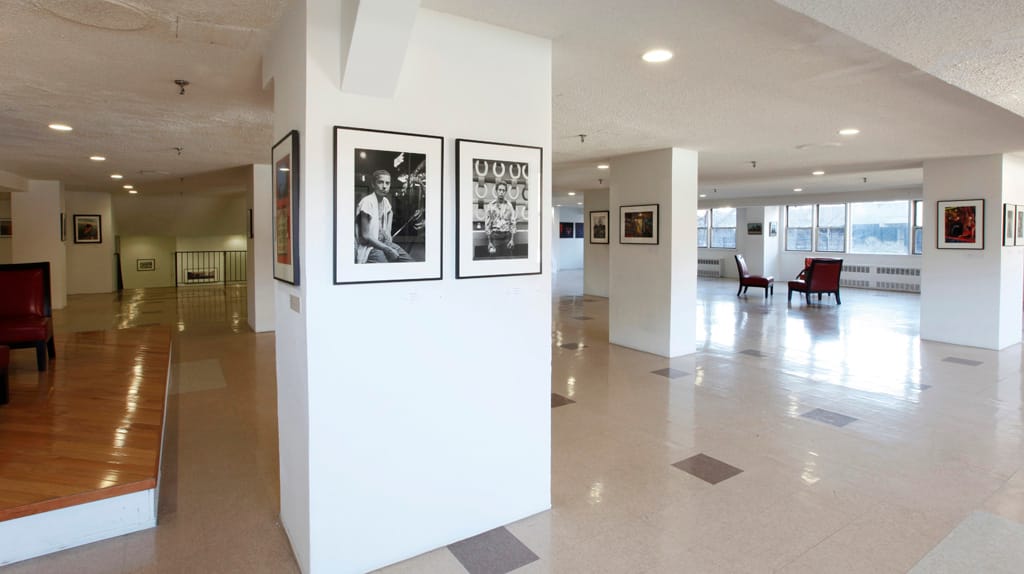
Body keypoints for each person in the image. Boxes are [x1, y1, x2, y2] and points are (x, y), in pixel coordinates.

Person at [355, 169, 413, 263]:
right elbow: (365, 236)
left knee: (410, 262)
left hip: (384, 243)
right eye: (380, 182)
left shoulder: (385, 201)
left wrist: (388, 231)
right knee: (385, 269)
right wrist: (388, 249)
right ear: (373, 184)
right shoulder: (367, 202)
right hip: (370, 247)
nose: (384, 186)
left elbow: (390, 212)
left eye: (387, 183)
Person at [484, 179, 518, 257]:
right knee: (495, 261)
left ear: (505, 192)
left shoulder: (509, 206)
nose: (501, 192)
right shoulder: (491, 206)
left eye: (503, 190)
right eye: (500, 190)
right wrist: (489, 242)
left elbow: (513, 222)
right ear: (496, 191)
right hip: (495, 237)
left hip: (507, 237)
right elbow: (487, 224)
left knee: (507, 260)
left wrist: (512, 240)